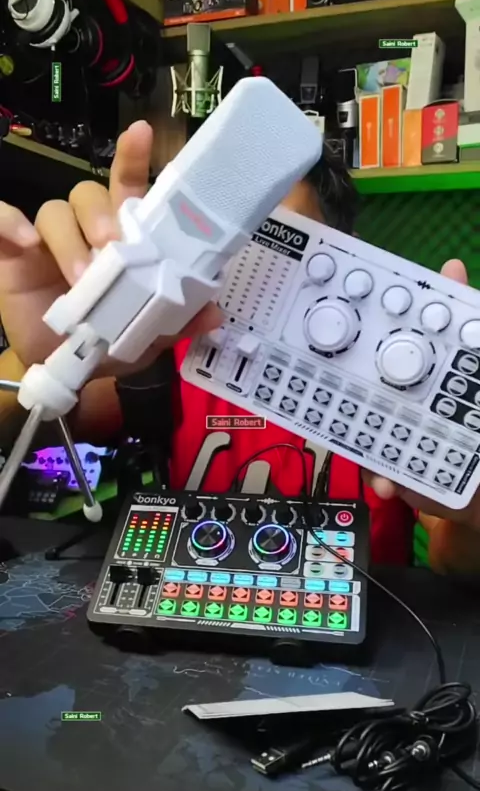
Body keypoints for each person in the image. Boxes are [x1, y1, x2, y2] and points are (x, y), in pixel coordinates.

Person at [0, 120, 479, 575]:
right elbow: (25, 422)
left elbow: (452, 562)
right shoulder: (168, 351)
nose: (242, 274)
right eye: (224, 245)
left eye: (278, 243)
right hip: (197, 617)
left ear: (351, 254)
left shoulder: (409, 376)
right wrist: (60, 355)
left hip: (370, 623)